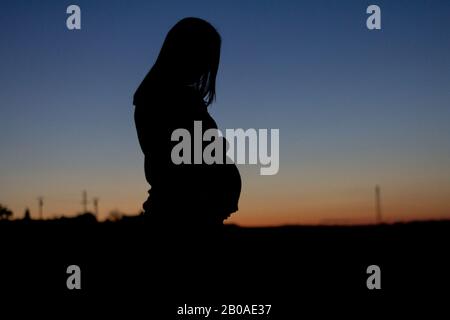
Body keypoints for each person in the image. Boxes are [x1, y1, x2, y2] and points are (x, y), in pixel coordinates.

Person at [133, 17, 241, 228]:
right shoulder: (164, 98)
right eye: (203, 56)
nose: (204, 67)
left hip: (196, 211)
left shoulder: (177, 97)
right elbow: (179, 161)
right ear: (181, 51)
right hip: (184, 216)